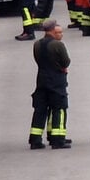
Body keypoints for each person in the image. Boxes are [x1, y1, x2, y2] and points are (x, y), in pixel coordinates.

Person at [30, 20, 72, 149]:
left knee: (40, 110)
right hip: (56, 81)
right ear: (53, 31)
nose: (61, 35)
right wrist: (61, 67)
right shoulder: (57, 45)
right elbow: (66, 62)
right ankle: (58, 139)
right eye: (59, 32)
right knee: (59, 109)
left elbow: (38, 60)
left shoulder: (37, 44)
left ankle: (35, 140)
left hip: (41, 80)